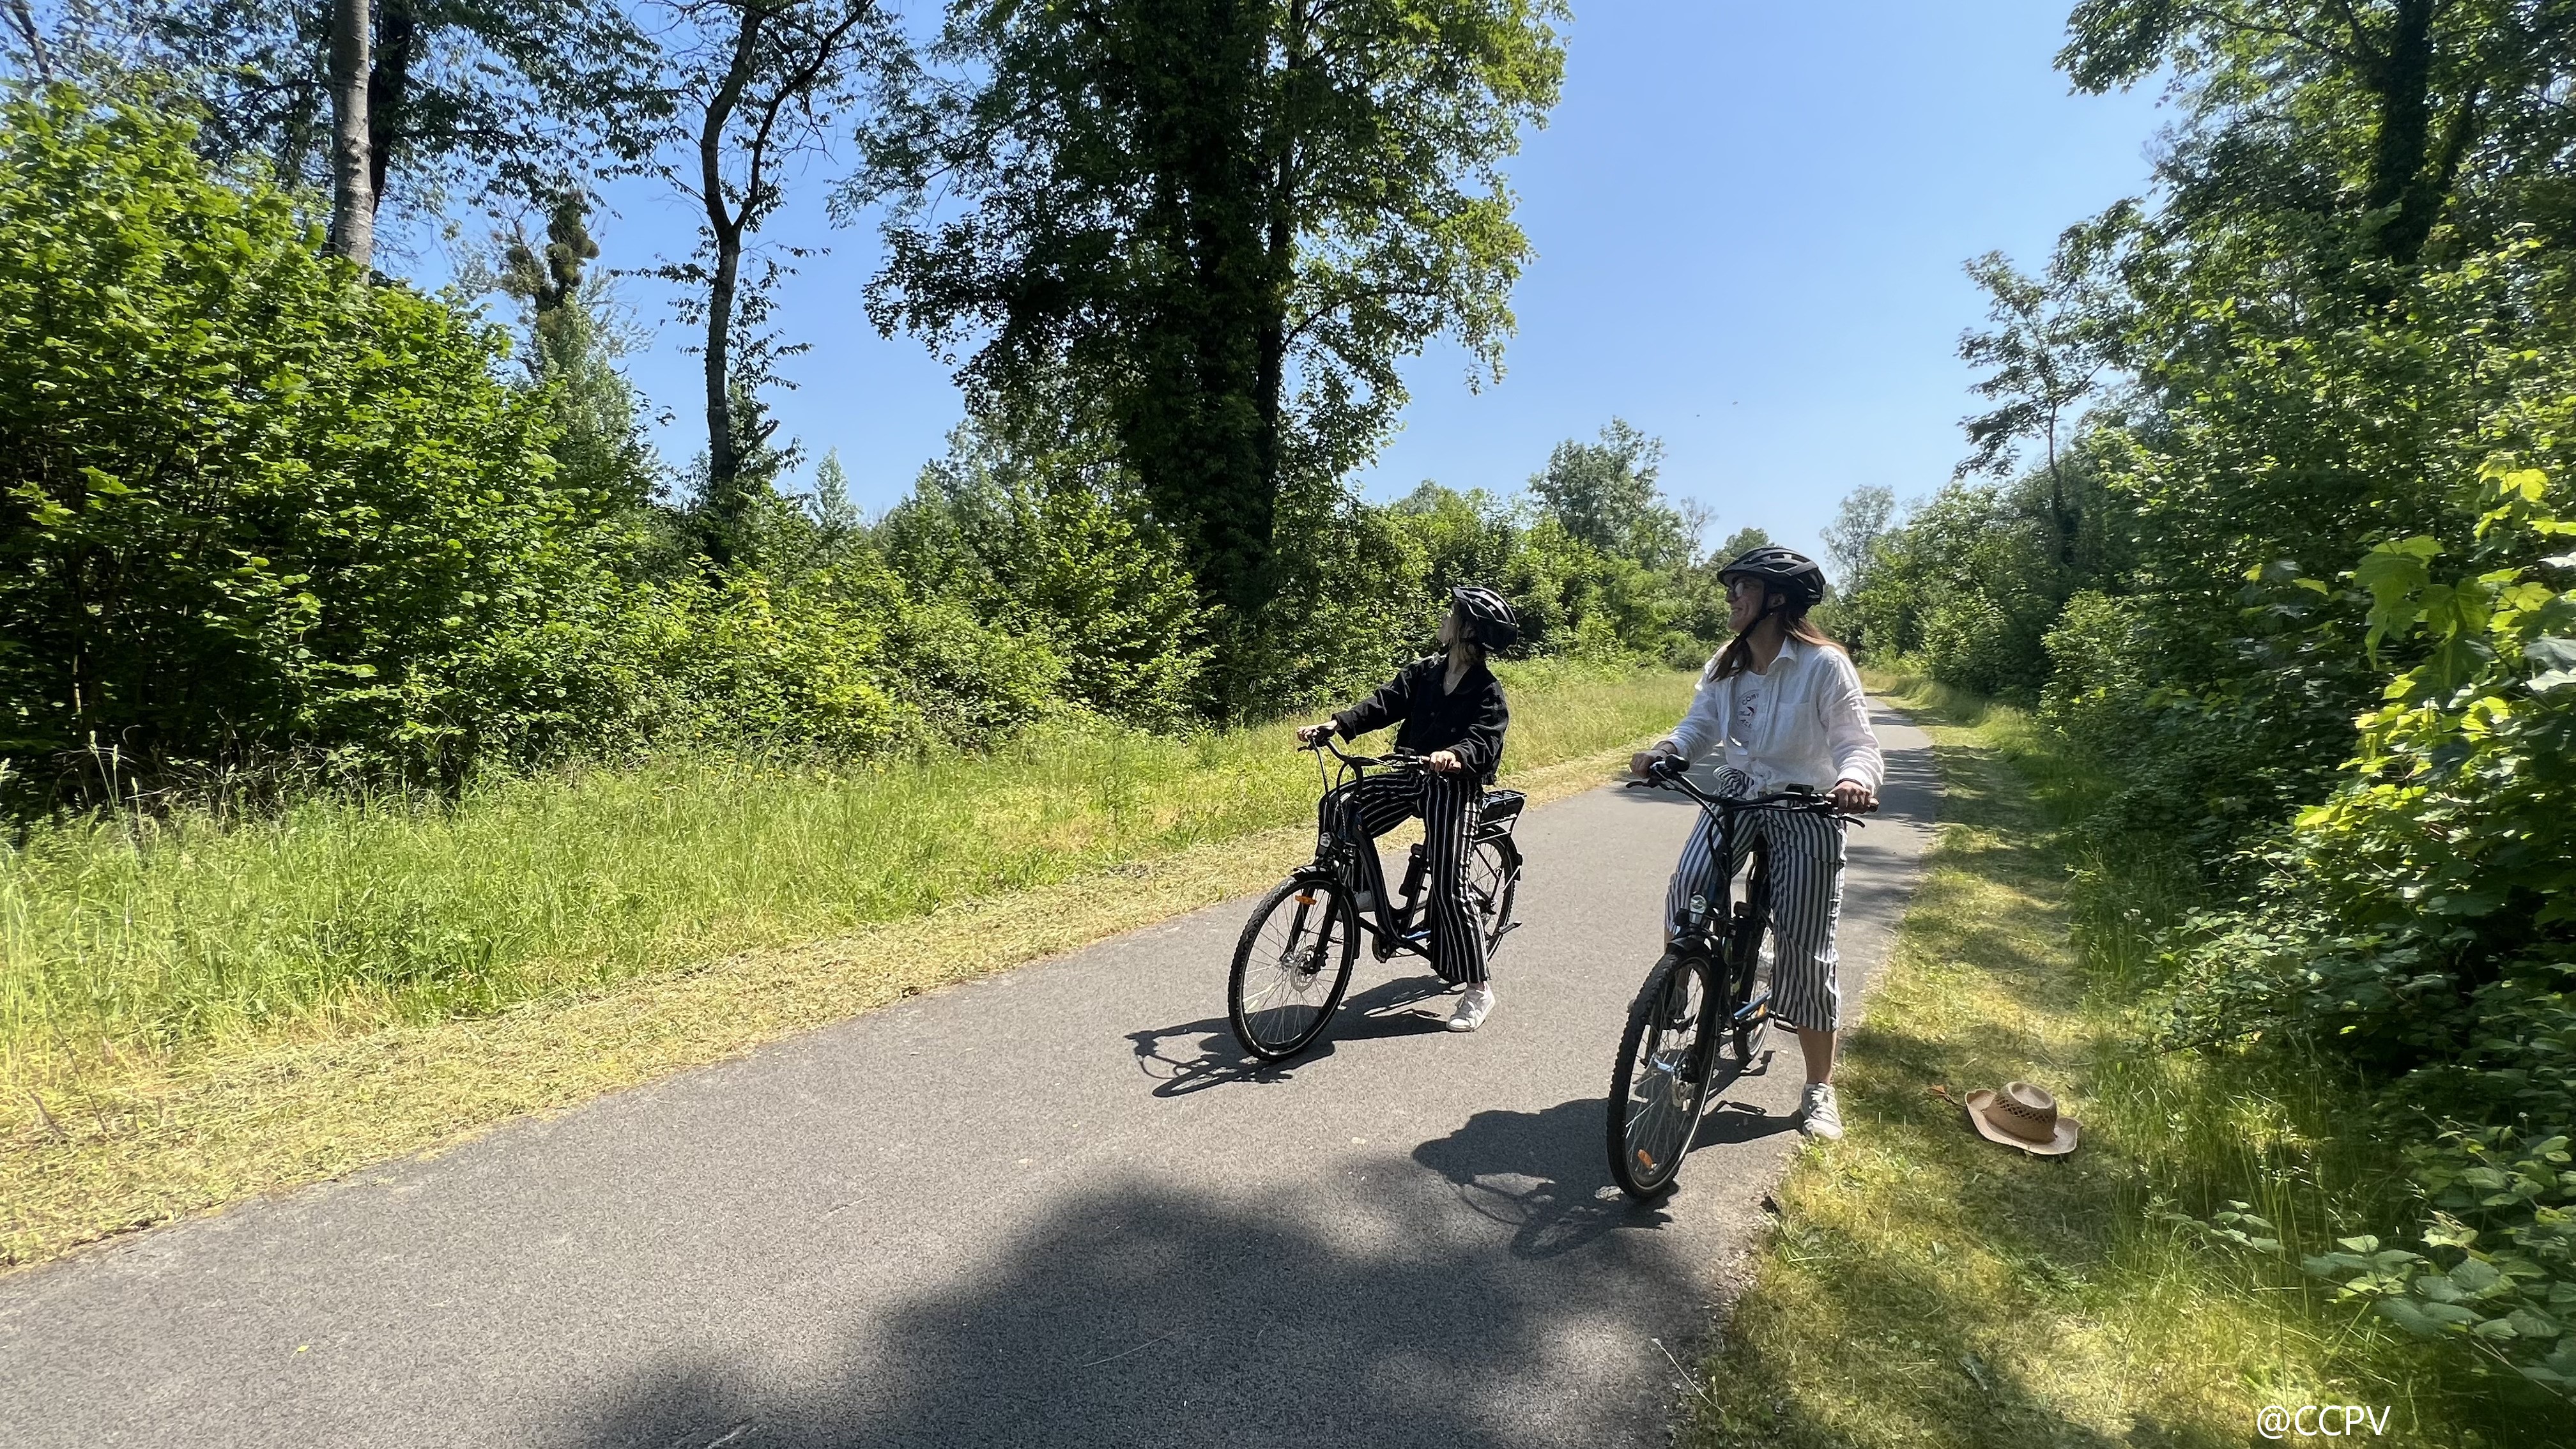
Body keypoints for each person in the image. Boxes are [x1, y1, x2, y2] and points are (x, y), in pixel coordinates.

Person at [1630, 546, 1882, 1139]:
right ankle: (1680, 985)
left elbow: (1856, 742)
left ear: (1776, 599)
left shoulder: (1824, 666)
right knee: (1690, 884)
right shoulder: (1728, 663)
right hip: (1740, 794)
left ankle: (1819, 1087)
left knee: (1807, 947)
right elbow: (1700, 726)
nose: (1730, 598)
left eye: (1741, 587)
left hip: (1809, 805)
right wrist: (1669, 752)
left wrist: (1854, 780)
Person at [1296, 586, 1517, 1031]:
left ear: (1468, 630)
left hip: (1455, 786)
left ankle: (1478, 989)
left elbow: (1485, 740)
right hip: (1411, 774)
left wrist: (1456, 755)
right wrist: (1337, 724)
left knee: (1452, 885)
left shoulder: (1488, 692)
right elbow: (1383, 703)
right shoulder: (1425, 673)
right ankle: (1358, 889)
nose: (1444, 618)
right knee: (1342, 808)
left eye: (1451, 614)